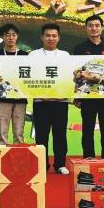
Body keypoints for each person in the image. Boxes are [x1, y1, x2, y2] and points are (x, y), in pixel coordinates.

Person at [73, 15, 104, 159]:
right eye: (90, 26)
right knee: (87, 130)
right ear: (86, 28)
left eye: (97, 25)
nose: (94, 28)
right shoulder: (79, 48)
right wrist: (76, 95)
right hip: (87, 96)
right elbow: (76, 73)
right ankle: (89, 158)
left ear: (102, 28)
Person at [31, 23, 71, 174]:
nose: (51, 38)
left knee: (60, 134)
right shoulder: (33, 55)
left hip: (60, 101)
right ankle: (42, 165)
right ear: (42, 37)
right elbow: (28, 78)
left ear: (59, 38)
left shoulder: (65, 55)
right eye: (48, 35)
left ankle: (60, 164)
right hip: (41, 102)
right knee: (41, 135)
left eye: (54, 36)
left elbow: (69, 77)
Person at [0, 23, 29, 145]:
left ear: (17, 36)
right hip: (2, 97)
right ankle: (2, 155)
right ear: (2, 37)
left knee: (19, 131)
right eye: (7, 35)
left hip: (20, 98)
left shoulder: (25, 55)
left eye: (14, 35)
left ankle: (18, 155)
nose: (11, 38)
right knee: (2, 130)